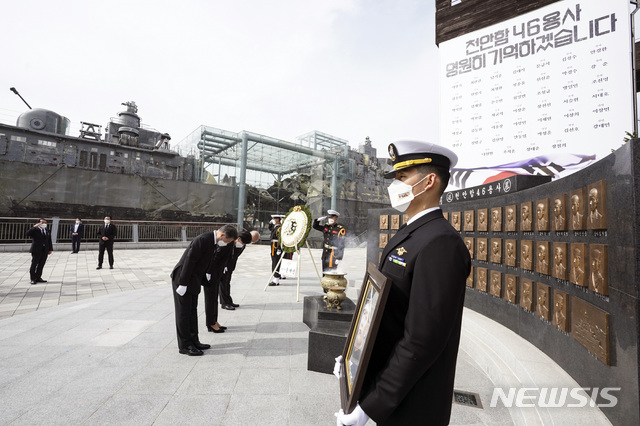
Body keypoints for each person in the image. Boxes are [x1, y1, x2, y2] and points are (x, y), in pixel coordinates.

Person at [335, 140, 471, 426]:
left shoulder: (441, 242)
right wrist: (354, 359)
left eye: (401, 177)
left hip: (412, 403)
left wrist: (372, 406)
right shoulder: (412, 232)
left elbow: (422, 340)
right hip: (390, 383)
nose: (394, 186)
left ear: (429, 181)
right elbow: (388, 312)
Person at [170, 224, 237, 355]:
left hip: (194, 278)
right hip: (183, 277)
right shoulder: (203, 239)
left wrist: (206, 279)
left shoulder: (212, 241)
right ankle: (185, 345)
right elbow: (189, 261)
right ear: (222, 235)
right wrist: (182, 283)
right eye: (226, 241)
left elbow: (205, 262)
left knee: (192, 311)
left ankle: (194, 341)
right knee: (183, 313)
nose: (225, 243)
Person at [220, 230, 260, 310]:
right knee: (223, 283)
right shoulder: (229, 241)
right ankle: (224, 303)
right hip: (223, 265)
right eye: (252, 240)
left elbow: (235, 256)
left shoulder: (243, 242)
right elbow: (222, 253)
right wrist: (224, 265)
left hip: (230, 265)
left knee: (227, 283)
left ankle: (228, 300)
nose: (251, 242)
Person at [26, 218, 53, 285]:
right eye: (42, 223)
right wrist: (34, 227)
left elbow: (49, 240)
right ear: (38, 223)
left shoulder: (47, 230)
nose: (44, 224)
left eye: (45, 223)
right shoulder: (35, 230)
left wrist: (50, 249)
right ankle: (32, 278)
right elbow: (27, 234)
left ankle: (38, 277)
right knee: (34, 264)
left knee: (41, 264)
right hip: (36, 249)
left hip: (44, 250)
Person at [268, 214, 291, 286]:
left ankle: (276, 279)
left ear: (278, 219)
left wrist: (279, 249)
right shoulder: (275, 227)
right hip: (273, 246)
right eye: (273, 218)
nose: (273, 219)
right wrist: (270, 223)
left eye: (275, 218)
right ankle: (276, 277)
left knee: (276, 262)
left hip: (276, 246)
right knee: (274, 261)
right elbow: (270, 228)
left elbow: (281, 239)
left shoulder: (280, 228)